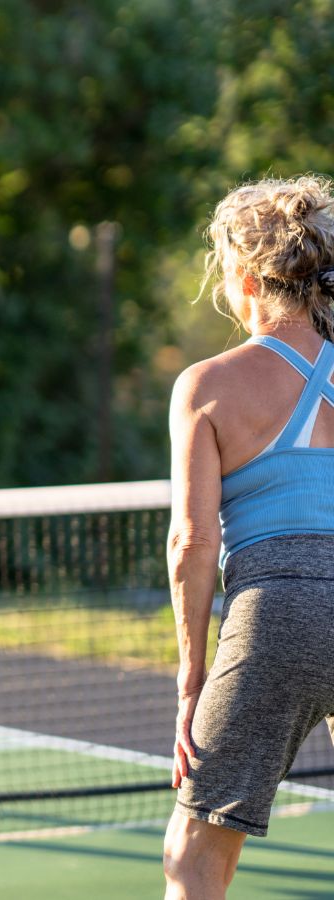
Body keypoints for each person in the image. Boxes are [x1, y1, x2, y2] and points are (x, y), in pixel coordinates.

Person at [164, 175, 334, 899]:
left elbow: (192, 545)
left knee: (194, 852)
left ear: (241, 277)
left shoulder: (207, 385)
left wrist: (191, 674)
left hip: (279, 614)